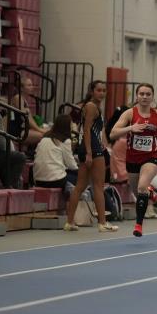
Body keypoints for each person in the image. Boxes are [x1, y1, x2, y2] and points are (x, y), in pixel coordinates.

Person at [109, 83, 157, 237]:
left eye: (148, 94)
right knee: (138, 191)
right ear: (137, 96)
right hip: (132, 159)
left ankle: (138, 225)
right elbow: (112, 134)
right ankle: (150, 192)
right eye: (141, 94)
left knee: (142, 186)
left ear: (152, 97)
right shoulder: (129, 113)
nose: (144, 97)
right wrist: (130, 128)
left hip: (152, 157)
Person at [64, 80, 118, 233]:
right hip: (92, 150)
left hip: (89, 147)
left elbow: (94, 130)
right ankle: (102, 223)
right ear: (92, 91)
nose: (102, 93)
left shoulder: (92, 106)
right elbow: (86, 130)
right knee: (98, 186)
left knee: (80, 187)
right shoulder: (91, 106)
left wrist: (100, 144)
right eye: (98, 90)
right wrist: (89, 152)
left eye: (104, 90)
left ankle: (69, 222)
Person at [34, 114, 79, 192]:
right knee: (82, 177)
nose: (72, 126)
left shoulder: (44, 138)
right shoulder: (65, 140)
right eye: (71, 124)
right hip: (55, 181)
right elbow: (71, 165)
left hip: (38, 181)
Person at [11, 76, 51, 150]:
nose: (32, 87)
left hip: (24, 128)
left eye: (32, 85)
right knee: (43, 135)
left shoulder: (23, 99)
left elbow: (30, 118)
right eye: (29, 85)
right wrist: (39, 130)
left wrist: (39, 128)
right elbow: (27, 119)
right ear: (21, 88)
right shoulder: (18, 98)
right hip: (17, 131)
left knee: (48, 130)